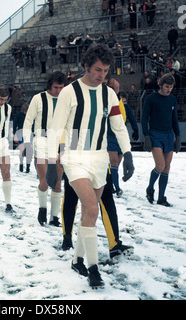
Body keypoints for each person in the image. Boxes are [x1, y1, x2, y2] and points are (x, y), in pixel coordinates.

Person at [46, 44, 134, 288]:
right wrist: (53, 161)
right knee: (92, 208)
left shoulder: (109, 94)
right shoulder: (69, 92)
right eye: (97, 69)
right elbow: (56, 127)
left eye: (105, 71)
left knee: (88, 214)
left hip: (99, 159)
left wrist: (127, 153)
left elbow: (117, 125)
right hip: (74, 157)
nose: (101, 75)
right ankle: (93, 268)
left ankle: (77, 260)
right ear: (86, 66)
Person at [23, 71, 67, 227]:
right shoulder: (38, 99)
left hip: (60, 143)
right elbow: (28, 122)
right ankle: (42, 208)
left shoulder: (67, 99)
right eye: (56, 87)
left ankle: (54, 217)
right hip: (41, 141)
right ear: (50, 85)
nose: (59, 91)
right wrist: (26, 143)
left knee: (57, 183)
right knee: (44, 181)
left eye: (62, 87)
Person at [141, 73, 181, 207]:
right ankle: (150, 187)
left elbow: (174, 119)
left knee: (167, 168)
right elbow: (144, 118)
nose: (169, 89)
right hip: (155, 135)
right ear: (160, 85)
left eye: (171, 87)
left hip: (169, 135)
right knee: (160, 166)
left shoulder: (172, 100)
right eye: (167, 86)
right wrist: (146, 136)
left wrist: (178, 136)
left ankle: (160, 198)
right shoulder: (151, 99)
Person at [108, 90, 138, 197]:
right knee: (114, 161)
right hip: (109, 136)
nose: (122, 103)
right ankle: (116, 187)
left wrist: (135, 130)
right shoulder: (109, 105)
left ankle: (110, 182)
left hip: (120, 137)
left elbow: (132, 118)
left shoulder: (126, 107)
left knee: (117, 162)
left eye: (124, 101)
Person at [13, 103, 32, 173]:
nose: (26, 112)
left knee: (29, 151)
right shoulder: (19, 115)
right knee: (22, 150)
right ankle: (21, 164)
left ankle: (28, 166)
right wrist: (15, 134)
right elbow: (15, 124)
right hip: (20, 133)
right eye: (25, 111)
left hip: (29, 134)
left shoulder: (31, 116)